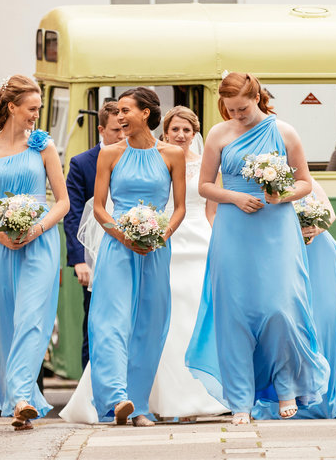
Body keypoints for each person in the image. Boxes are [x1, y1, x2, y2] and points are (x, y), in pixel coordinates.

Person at [185, 72, 330, 425]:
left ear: (256, 98)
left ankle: (286, 386)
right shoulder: (219, 135)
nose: (237, 115)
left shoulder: (284, 132)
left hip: (276, 229)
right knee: (234, 316)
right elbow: (204, 186)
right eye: (230, 109)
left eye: (243, 108)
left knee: (280, 309)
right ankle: (240, 403)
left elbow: (305, 182)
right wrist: (233, 196)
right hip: (233, 231)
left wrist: (282, 194)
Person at [0, 75, 70, 431]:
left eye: (38, 109)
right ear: (11, 107)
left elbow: (63, 202)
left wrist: (37, 228)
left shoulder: (43, 146)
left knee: (32, 316)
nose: (37, 115)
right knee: (5, 318)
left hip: (40, 239)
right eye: (32, 108)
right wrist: (0, 234)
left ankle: (23, 394)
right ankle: (15, 402)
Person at [84, 87, 186, 427]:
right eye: (118, 111)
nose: (120, 116)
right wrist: (124, 235)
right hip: (117, 246)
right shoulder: (109, 154)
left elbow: (180, 208)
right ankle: (116, 399)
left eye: (126, 110)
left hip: (156, 249)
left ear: (146, 113)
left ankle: (138, 405)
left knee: (149, 324)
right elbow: (99, 208)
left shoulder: (172, 154)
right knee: (109, 323)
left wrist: (159, 236)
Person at [253, 181, 336, 420]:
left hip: (321, 256)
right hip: (286, 258)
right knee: (291, 326)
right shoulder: (262, 185)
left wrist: (315, 228)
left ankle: (325, 399)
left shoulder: (305, 181)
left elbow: (330, 213)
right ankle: (290, 396)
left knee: (323, 325)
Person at [147, 106, 228, 421]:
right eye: (175, 130)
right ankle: (166, 398)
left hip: (199, 243)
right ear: (165, 131)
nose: (181, 136)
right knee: (167, 317)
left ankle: (200, 396)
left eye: (187, 130)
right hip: (165, 240)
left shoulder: (206, 166)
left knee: (198, 315)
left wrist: (216, 242)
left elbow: (212, 210)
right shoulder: (155, 161)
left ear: (195, 134)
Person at [64, 101, 125, 369]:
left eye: (125, 128)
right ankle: (88, 387)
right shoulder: (81, 163)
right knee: (94, 319)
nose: (122, 135)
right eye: (115, 130)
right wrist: (79, 260)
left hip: (131, 247)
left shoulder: (136, 156)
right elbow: (72, 213)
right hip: (94, 253)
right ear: (101, 129)